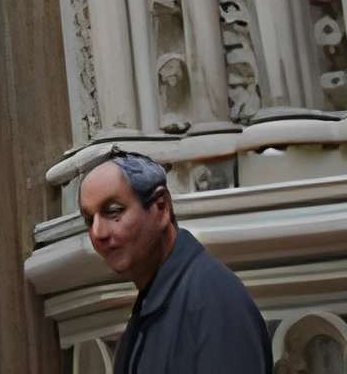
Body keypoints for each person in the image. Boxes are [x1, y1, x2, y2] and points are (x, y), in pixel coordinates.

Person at [78, 149, 270, 371]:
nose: (98, 232)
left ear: (161, 207)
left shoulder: (212, 296)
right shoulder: (151, 304)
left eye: (113, 211)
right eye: (89, 219)